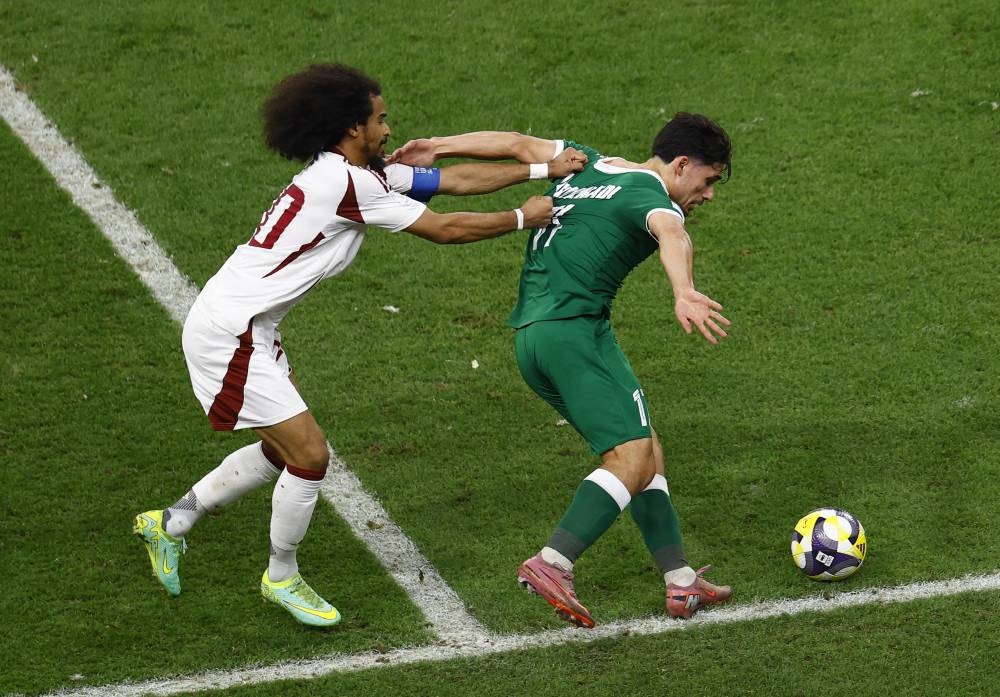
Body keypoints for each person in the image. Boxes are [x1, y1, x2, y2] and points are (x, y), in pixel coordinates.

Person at [133, 63, 586, 627]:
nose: (389, 130)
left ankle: (171, 521)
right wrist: (525, 217)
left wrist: (540, 168)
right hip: (231, 333)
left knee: (282, 450)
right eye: (381, 119)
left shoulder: (354, 174)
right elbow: (444, 228)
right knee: (311, 456)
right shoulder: (346, 184)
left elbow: (451, 182)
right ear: (353, 128)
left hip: (249, 326)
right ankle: (281, 576)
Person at [389, 114, 734, 627]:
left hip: (538, 338)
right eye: (707, 180)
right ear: (682, 165)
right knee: (632, 458)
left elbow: (513, 143)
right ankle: (554, 562)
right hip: (572, 333)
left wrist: (437, 146)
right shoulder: (653, 198)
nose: (706, 195)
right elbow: (672, 236)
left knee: (646, 446)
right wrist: (683, 290)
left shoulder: (584, 162)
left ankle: (680, 580)